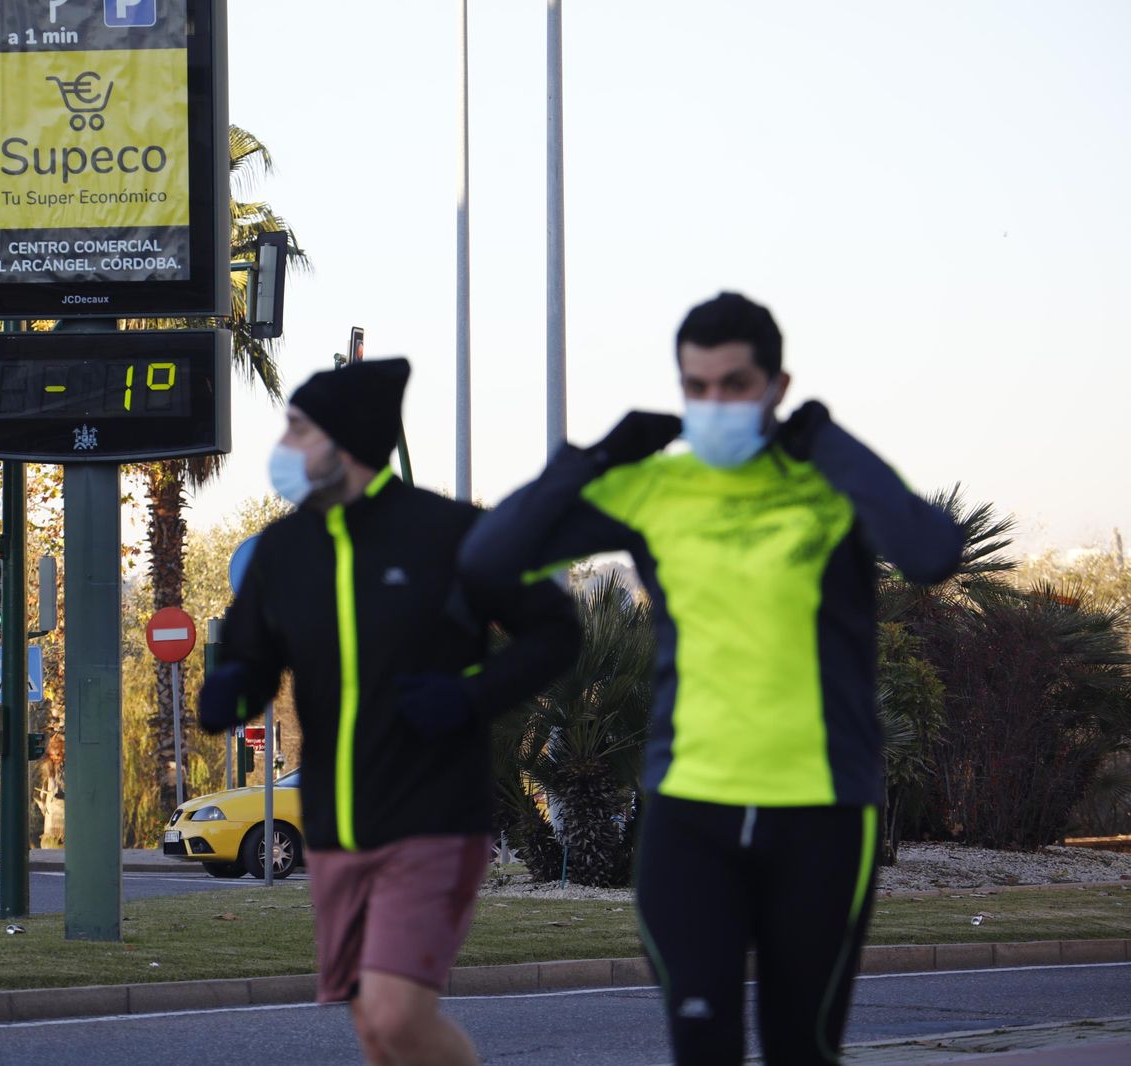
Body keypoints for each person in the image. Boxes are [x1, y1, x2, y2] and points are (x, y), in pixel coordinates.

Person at [459, 292, 966, 1064]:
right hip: (690, 815)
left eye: (735, 385)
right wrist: (597, 455)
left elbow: (932, 553)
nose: (714, 402)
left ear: (776, 387)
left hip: (823, 813)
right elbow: (488, 555)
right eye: (696, 387)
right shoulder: (659, 490)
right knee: (702, 1047)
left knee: (803, 1049)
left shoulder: (829, 484)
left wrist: (829, 442)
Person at [199, 358, 581, 1066]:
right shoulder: (283, 552)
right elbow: (252, 657)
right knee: (376, 1029)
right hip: (337, 825)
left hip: (434, 816)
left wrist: (468, 696)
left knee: (396, 1013)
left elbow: (556, 630)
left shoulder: (452, 534)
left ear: (344, 443)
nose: (284, 446)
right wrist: (231, 689)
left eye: (297, 428)